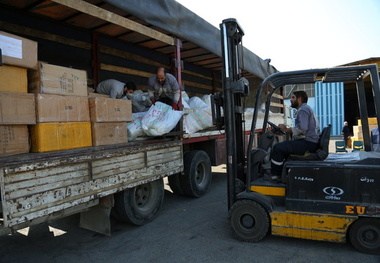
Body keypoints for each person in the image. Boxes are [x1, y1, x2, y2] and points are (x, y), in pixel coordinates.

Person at [266, 91, 320, 182]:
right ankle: (283, 172)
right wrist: (287, 129)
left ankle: (276, 175)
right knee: (285, 147)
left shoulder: (303, 109)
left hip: (309, 144)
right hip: (310, 142)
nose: (290, 100)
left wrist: (286, 129)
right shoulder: (306, 108)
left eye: (293, 97)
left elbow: (302, 128)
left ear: (299, 99)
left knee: (277, 148)